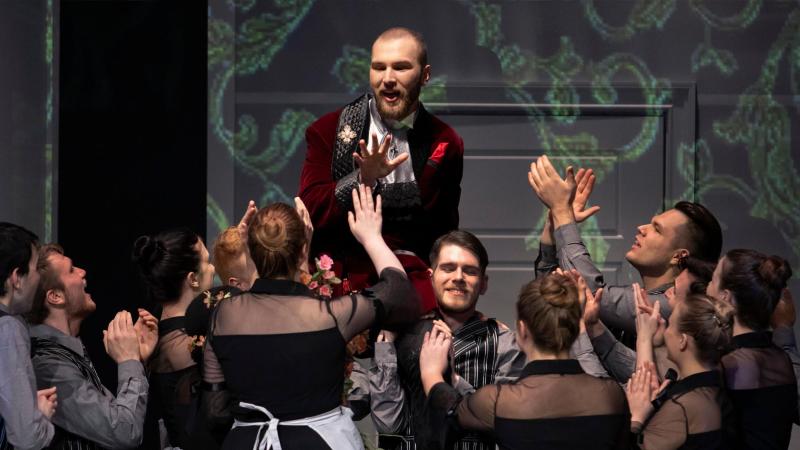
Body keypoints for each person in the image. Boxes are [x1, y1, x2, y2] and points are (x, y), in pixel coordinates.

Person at [201, 186, 420, 449]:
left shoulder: (224, 316)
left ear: (252, 252)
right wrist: (372, 237)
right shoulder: (329, 316)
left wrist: (251, 254)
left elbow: (215, 413)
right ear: (304, 250)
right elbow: (400, 292)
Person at [299, 27, 463, 308]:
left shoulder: (445, 141)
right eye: (379, 67)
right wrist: (362, 178)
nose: (388, 79)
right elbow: (310, 209)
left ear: (425, 75)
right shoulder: (327, 130)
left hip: (412, 292)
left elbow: (444, 230)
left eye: (400, 67)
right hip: (340, 291)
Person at [419, 272, 629, 449]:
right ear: (577, 331)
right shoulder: (610, 395)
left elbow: (450, 412)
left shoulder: (500, 402)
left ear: (521, 330)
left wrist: (431, 374)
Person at [528, 155, 723, 336]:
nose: (642, 228)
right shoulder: (639, 296)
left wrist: (562, 212)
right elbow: (555, 293)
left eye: (657, 229)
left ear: (678, 256)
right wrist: (554, 219)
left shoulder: (670, 306)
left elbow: (591, 294)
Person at [369, 230, 527, 450]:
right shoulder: (401, 337)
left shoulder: (504, 342)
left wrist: (451, 377)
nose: (459, 277)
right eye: (448, 268)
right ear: (430, 276)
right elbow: (389, 426)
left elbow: (505, 423)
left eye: (470, 271)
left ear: (483, 283)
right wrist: (386, 346)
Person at [27, 244, 157, 449]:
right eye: (71, 270)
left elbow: (117, 419)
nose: (82, 272)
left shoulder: (65, 355)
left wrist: (137, 360)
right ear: (55, 296)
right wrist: (129, 361)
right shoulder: (48, 366)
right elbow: (124, 432)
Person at [131, 228, 217, 449]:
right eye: (207, 262)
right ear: (193, 279)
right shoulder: (182, 344)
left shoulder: (158, 334)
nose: (213, 269)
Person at [708, 249, 797, 449]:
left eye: (712, 280)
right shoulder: (782, 358)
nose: (706, 287)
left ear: (725, 297)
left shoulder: (727, 363)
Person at [582, 257, 716, 383]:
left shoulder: (689, 398)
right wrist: (593, 325)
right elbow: (634, 369)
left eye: (674, 291)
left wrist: (644, 337)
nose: (666, 293)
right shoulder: (684, 377)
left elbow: (645, 393)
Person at [627, 292, 734, 449]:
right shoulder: (716, 388)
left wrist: (637, 419)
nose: (666, 331)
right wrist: (650, 342)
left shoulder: (681, 407)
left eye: (670, 324)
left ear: (682, 340)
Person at [0, 222, 55, 450]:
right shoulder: (8, 328)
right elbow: (28, 438)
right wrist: (41, 416)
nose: (39, 278)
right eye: (35, 269)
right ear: (16, 278)